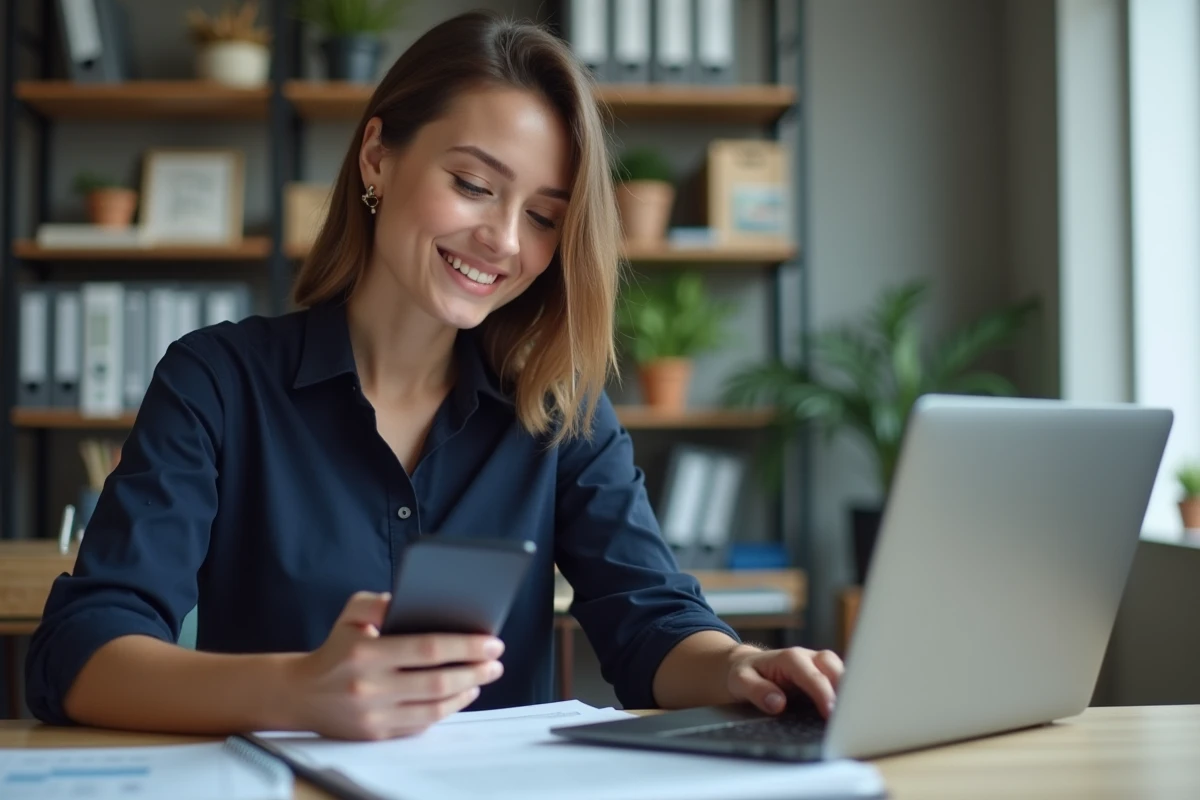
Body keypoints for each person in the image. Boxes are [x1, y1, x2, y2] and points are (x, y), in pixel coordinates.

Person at [25, 10, 843, 741]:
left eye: (544, 216)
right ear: (377, 158)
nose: (504, 240)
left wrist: (739, 668)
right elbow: (81, 651)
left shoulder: (557, 411)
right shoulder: (219, 381)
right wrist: (301, 689)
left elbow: (653, 625)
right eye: (474, 185)